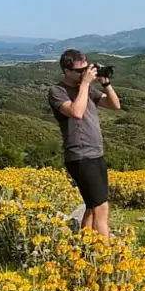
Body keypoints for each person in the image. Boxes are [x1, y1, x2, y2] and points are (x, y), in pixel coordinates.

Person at [47, 49, 121, 237]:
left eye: (86, 69)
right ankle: (106, 258)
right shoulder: (57, 91)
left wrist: (106, 84)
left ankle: (84, 248)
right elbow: (76, 112)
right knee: (101, 208)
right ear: (66, 71)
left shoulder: (85, 88)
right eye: (80, 71)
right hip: (80, 155)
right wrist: (86, 83)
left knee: (91, 207)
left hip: (96, 153)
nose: (84, 74)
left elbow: (115, 105)